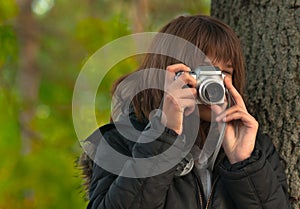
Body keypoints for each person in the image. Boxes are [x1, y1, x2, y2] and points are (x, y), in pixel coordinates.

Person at [79, 14, 291, 209]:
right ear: (166, 73)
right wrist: (163, 138)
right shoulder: (120, 141)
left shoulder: (255, 149)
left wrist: (244, 164)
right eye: (201, 71)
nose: (212, 84)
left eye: (224, 72)